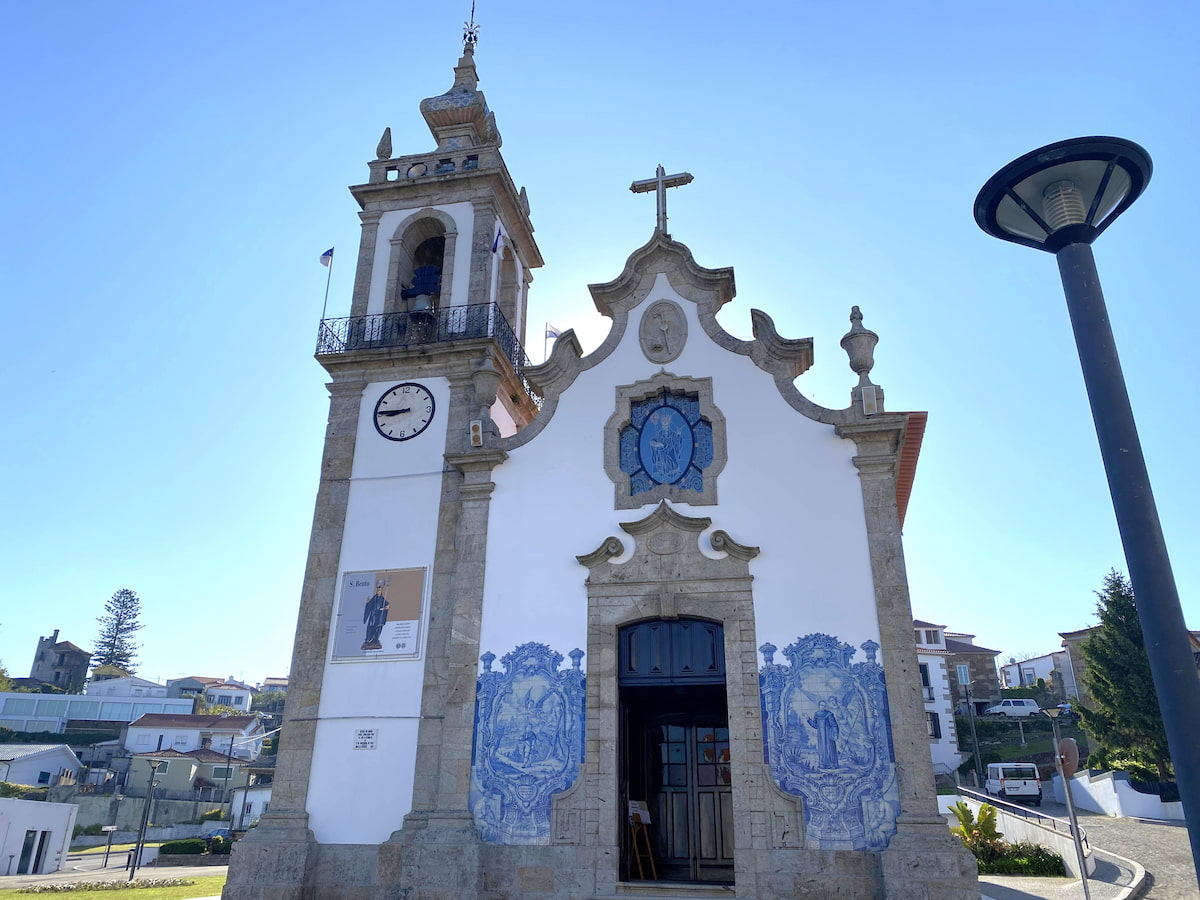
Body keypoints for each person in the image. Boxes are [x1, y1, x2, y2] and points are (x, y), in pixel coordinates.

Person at [807, 700, 840, 768]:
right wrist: (809, 720)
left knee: (830, 749)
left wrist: (835, 734)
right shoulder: (816, 714)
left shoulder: (829, 714)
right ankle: (823, 764)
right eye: (821, 705)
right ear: (819, 706)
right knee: (822, 749)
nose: (823, 707)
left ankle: (832, 764)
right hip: (821, 736)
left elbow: (834, 725)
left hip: (828, 734)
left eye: (824, 705)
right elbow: (816, 725)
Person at [361, 581, 389, 650]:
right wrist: (368, 603)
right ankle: (368, 640)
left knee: (378, 628)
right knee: (370, 627)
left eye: (380, 591)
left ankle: (375, 640)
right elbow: (370, 605)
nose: (379, 592)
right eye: (378, 590)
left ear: (381, 591)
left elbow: (386, 605)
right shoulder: (374, 598)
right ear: (376, 591)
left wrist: (385, 608)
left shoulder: (382, 599)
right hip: (373, 616)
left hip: (379, 616)